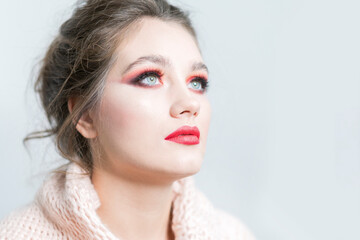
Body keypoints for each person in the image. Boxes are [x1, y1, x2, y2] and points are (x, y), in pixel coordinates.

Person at [0, 0, 255, 239]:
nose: (189, 103)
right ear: (85, 115)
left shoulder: (231, 233)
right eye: (150, 77)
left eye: (197, 82)